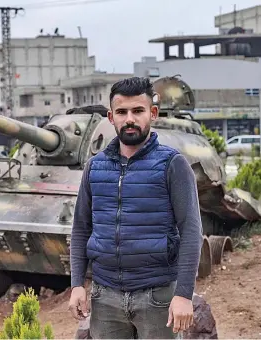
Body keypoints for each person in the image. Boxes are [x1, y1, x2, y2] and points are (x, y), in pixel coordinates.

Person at [68, 77, 203, 339]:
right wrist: (77, 285)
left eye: (137, 111)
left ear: (152, 113)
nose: (129, 119)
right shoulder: (95, 168)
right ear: (111, 117)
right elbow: (81, 229)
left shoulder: (172, 164)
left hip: (157, 297)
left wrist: (183, 295)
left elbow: (191, 231)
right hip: (105, 297)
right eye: (122, 112)